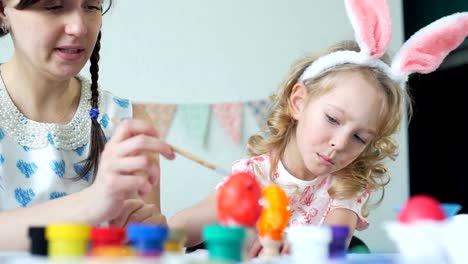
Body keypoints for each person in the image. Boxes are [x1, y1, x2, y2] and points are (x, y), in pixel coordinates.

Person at [169, 0, 468, 257]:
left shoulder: (346, 186)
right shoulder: (253, 176)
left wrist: (296, 247)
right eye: (333, 119)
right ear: (298, 102)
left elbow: (334, 241)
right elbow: (184, 228)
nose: (340, 143)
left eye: (359, 137)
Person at [0, 0, 175, 250]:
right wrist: (93, 202)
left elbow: (141, 247)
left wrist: (146, 240)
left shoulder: (128, 123)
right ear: (2, 11)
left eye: (91, 6)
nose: (79, 27)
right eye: (53, 6)